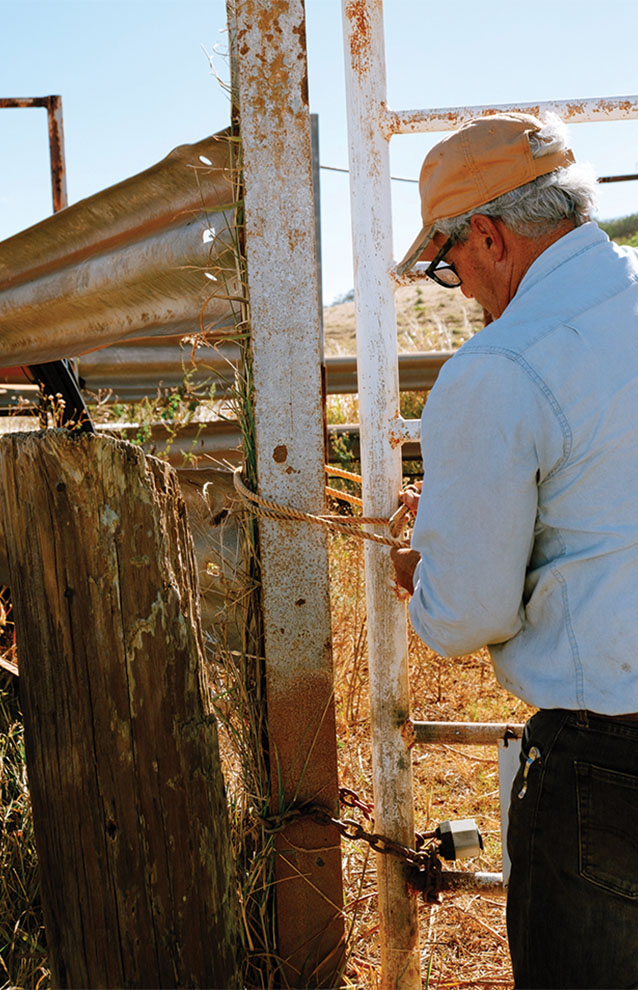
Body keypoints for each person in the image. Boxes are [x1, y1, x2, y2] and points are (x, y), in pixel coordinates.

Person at [391, 111, 638, 989]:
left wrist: (422, 566)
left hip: (612, 764)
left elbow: (466, 614)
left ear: (488, 236)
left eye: (448, 262)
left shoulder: (502, 368)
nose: (458, 287)